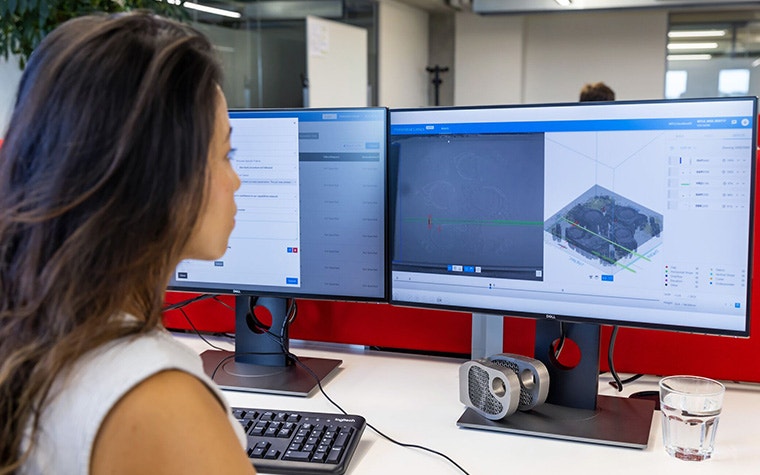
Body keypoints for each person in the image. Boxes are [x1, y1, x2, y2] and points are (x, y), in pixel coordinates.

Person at [0, 11, 254, 475]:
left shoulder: (35, 336)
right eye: (224, 153)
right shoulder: (157, 401)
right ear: (158, 178)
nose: (236, 180)